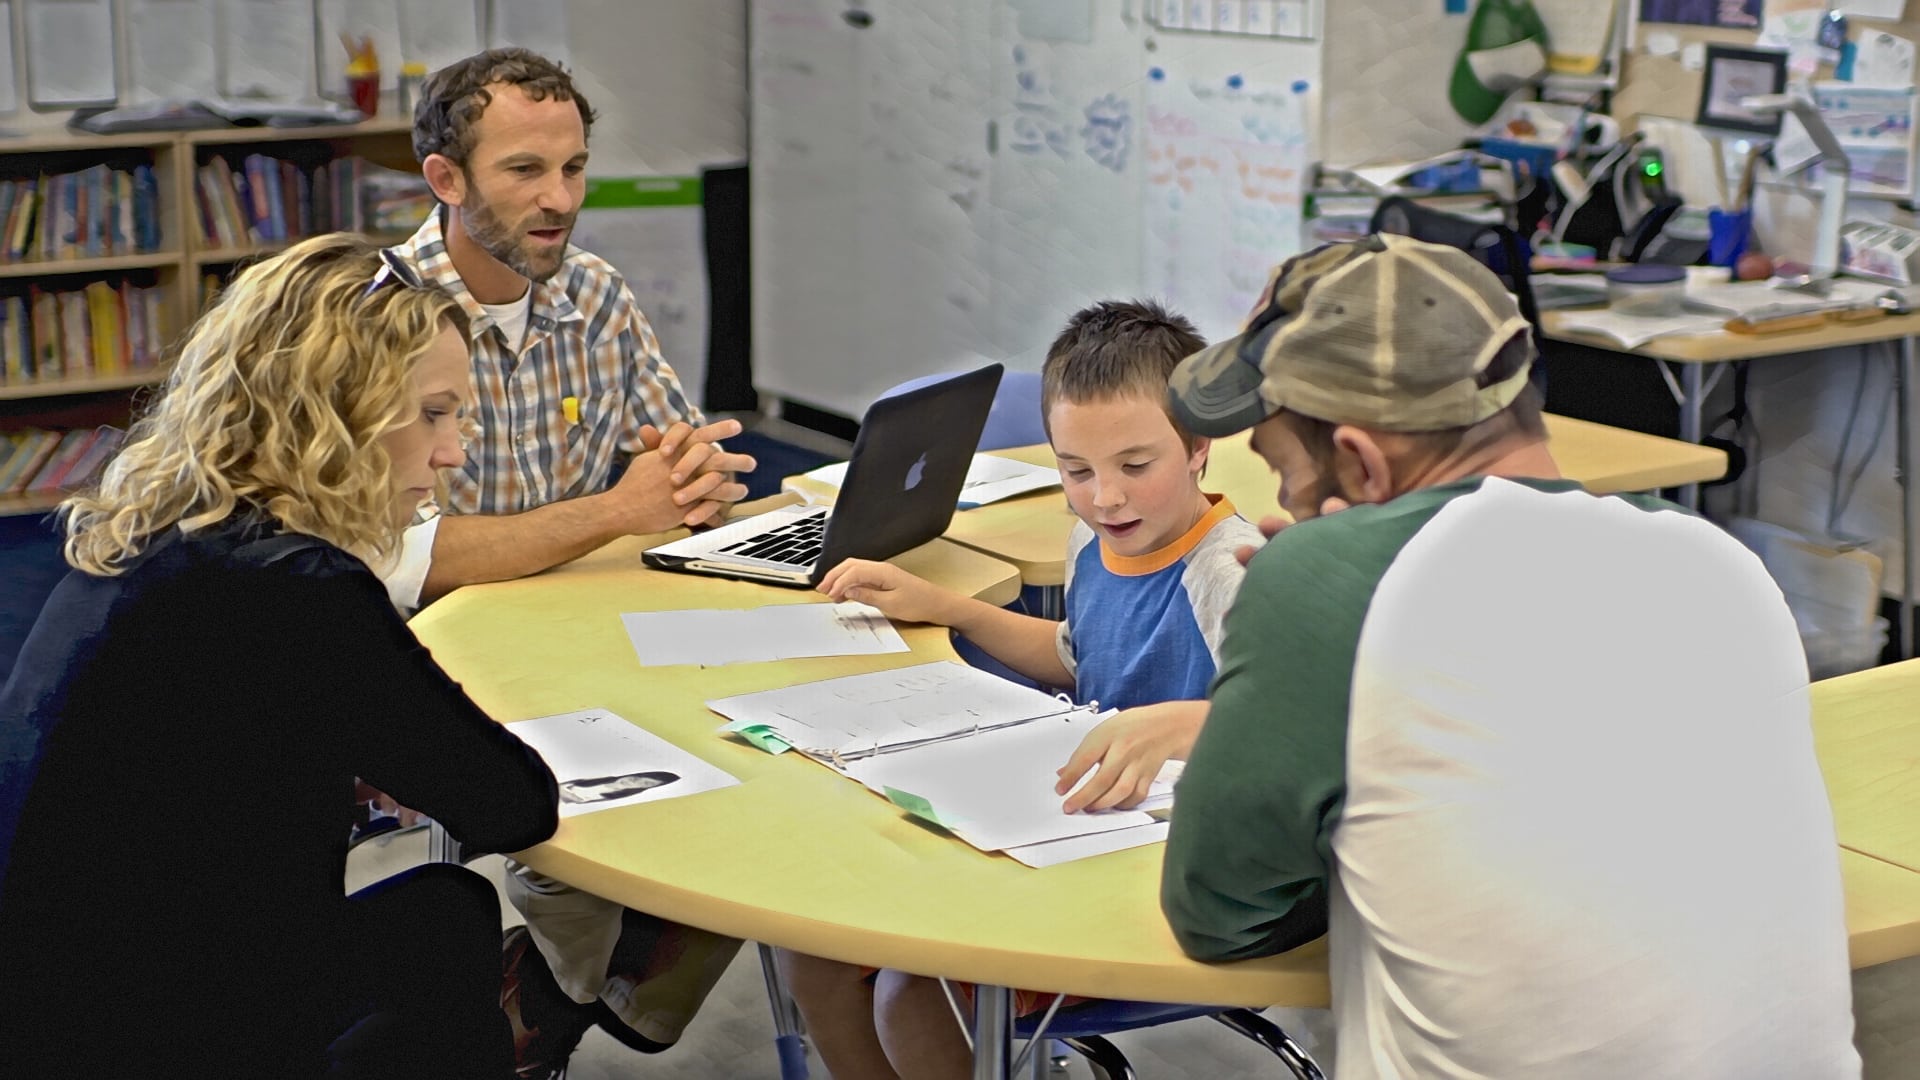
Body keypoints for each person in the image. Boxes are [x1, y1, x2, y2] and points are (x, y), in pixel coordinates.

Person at [1160, 234, 1860, 1077]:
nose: (1284, 499)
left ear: (1360, 462)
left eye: (1282, 466)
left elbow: (1220, 911)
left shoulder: (1328, 581)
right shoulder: (1721, 562)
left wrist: (1295, 619)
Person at [0, 234, 560, 1079]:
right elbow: (517, 805)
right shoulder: (299, 583)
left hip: (50, 998)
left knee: (441, 916)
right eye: (434, 412)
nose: (452, 451)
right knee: (448, 929)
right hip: (151, 1029)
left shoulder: (158, 529)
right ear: (339, 414)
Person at [781, 299, 1263, 1080]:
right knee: (817, 954)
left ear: (1199, 446)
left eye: (1136, 466)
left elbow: (1282, 725)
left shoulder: (1226, 569)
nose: (1104, 497)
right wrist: (948, 608)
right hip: (1068, 823)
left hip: (1158, 867)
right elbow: (1081, 661)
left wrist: (1178, 725)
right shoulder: (1096, 539)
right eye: (1076, 471)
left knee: (908, 990)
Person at [387, 48, 750, 1075]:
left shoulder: (593, 293)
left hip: (597, 624)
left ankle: (554, 998)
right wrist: (616, 509)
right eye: (525, 172)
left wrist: (691, 475)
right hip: (450, 656)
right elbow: (412, 558)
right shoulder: (382, 319)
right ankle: (570, 987)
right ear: (445, 178)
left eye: (575, 169)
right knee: (592, 829)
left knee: (771, 769)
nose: (560, 202)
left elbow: (678, 475)